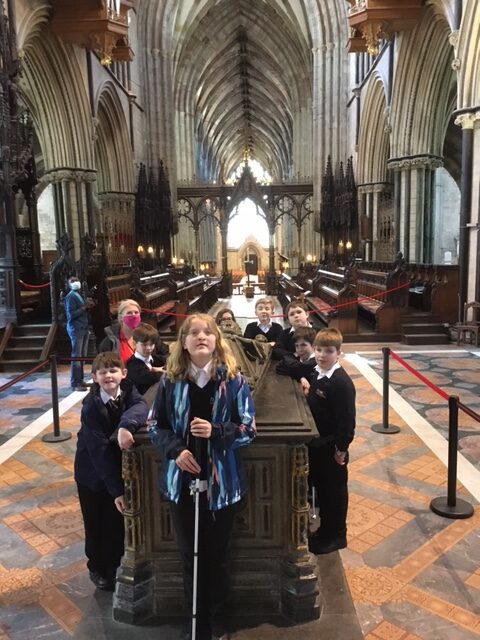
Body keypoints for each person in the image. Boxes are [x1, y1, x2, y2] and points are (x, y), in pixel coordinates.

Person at [149, 313, 256, 640]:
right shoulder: (171, 380)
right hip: (182, 484)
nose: (200, 337)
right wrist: (176, 451)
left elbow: (248, 428)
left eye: (207, 332)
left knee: (218, 558)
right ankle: (193, 624)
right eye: (193, 333)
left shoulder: (233, 380)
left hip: (221, 484)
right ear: (183, 342)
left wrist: (216, 431)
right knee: (188, 558)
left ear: (216, 340)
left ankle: (219, 622)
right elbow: (156, 426)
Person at [74, 352, 149, 590]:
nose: (108, 375)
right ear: (95, 377)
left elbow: (140, 405)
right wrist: (116, 490)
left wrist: (125, 425)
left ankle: (115, 563)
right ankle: (97, 568)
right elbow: (98, 451)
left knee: (115, 521)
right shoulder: (91, 408)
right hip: (93, 473)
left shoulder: (128, 392)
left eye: (113, 370)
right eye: (103, 372)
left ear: (123, 374)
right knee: (95, 521)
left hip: (114, 468)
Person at [302, 328, 356, 555]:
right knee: (323, 492)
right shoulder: (317, 373)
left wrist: (341, 450)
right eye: (319, 349)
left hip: (332, 447)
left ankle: (336, 536)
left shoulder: (340, 383)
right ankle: (325, 531)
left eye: (329, 351)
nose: (323, 355)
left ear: (338, 353)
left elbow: (346, 422)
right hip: (320, 445)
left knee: (334, 493)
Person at [64, 276, 95, 391]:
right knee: (76, 356)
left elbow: (82, 311)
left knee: (82, 356)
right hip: (76, 328)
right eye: (72, 281)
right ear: (69, 284)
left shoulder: (78, 294)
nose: (76, 283)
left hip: (83, 327)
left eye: (76, 280)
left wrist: (88, 306)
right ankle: (75, 383)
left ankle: (80, 380)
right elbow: (70, 315)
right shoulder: (71, 296)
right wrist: (84, 307)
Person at [126, 322, 169, 395]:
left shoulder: (153, 358)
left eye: (151, 344)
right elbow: (151, 378)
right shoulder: (132, 364)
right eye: (144, 345)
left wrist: (159, 369)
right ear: (134, 344)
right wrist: (162, 371)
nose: (149, 348)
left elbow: (171, 360)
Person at [98, 298, 142, 363]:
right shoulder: (110, 342)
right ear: (121, 318)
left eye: (136, 312)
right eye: (129, 313)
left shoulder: (146, 335)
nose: (134, 315)